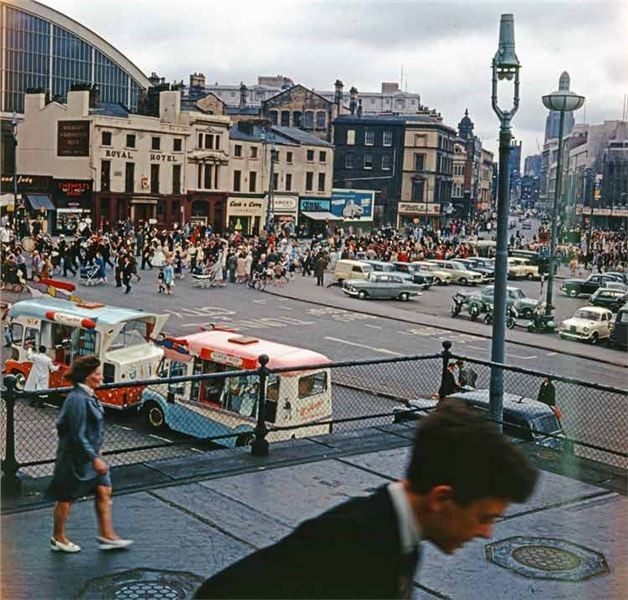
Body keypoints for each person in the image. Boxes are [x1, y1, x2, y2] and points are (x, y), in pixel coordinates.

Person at [194, 400, 537, 599]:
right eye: (485, 517)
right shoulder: (352, 548)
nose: (486, 533)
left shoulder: (399, 536)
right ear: (441, 499)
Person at [47, 355, 133, 553]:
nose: (101, 377)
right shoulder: (77, 399)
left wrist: (96, 453)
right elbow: (77, 434)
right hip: (75, 459)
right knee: (66, 497)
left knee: (104, 490)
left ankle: (106, 535)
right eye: (97, 374)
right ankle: (58, 538)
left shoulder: (87, 395)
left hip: (90, 456)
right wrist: (94, 458)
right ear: (86, 376)